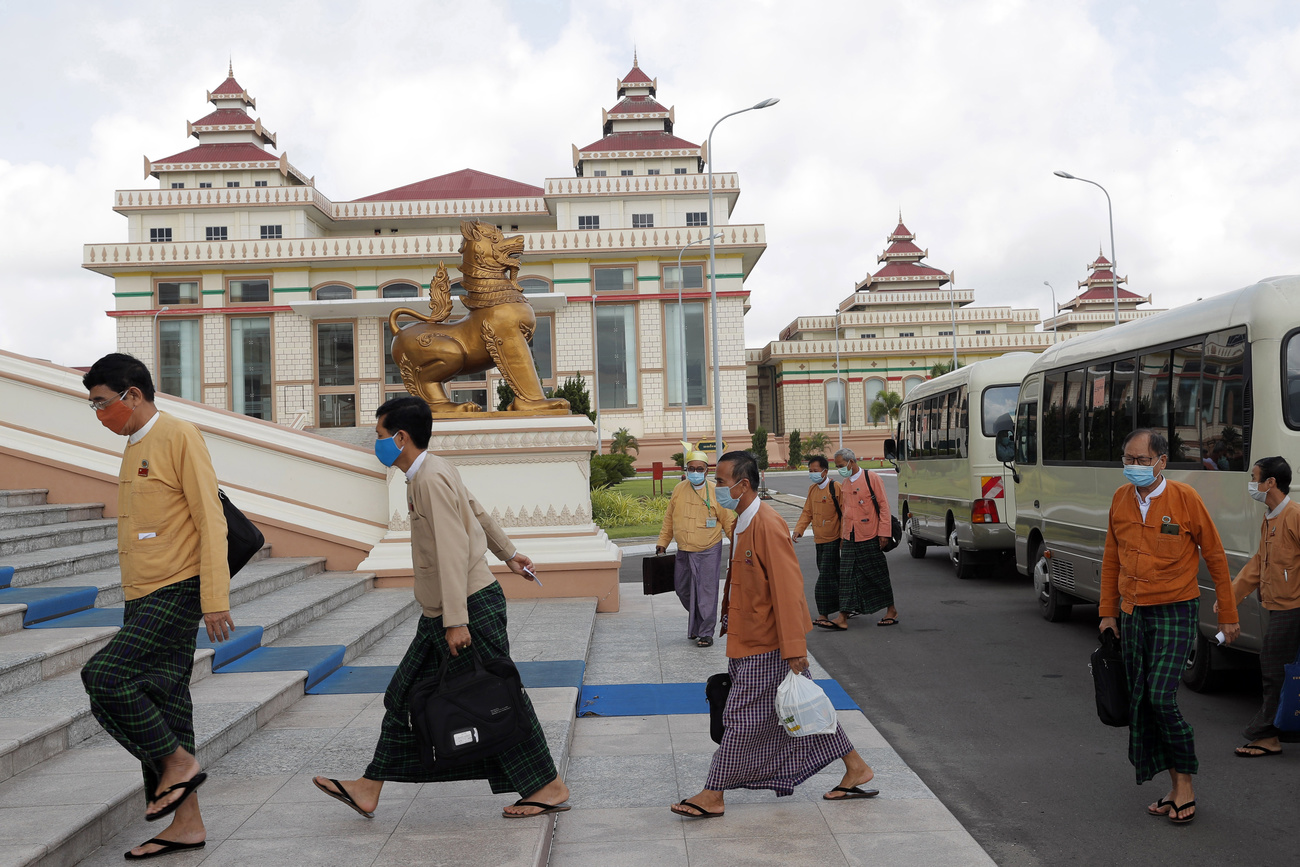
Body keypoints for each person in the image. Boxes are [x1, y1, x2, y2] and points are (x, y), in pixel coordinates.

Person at [313, 396, 569, 820]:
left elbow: (451, 550)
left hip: (463, 608)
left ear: (400, 437)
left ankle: (550, 785)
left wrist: (456, 621)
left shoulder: (428, 479)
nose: (377, 445)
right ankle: (369, 786)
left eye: (379, 436)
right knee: (403, 694)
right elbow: (475, 509)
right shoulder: (430, 469)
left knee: (497, 695)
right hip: (446, 610)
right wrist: (508, 553)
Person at [80, 353, 234, 860]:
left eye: (103, 403)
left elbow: (211, 520)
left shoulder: (178, 435)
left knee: (104, 676)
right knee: (167, 703)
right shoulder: (134, 444)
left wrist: (214, 599)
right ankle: (186, 824)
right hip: (142, 591)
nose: (100, 413)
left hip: (177, 587)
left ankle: (175, 761)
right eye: (94, 405)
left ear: (134, 395)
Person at [670, 450, 877, 818]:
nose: (716, 487)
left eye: (720, 481)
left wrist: (795, 647)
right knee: (808, 708)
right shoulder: (743, 522)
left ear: (742, 485)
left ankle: (713, 793)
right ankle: (856, 766)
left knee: (740, 719)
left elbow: (788, 587)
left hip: (768, 645)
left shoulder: (767, 523)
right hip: (748, 639)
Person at [1099, 428, 1239, 825]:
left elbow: (1214, 554)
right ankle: (1175, 786)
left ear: (1162, 462)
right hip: (1131, 612)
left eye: (1142, 460)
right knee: (1142, 701)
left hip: (1175, 610)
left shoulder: (1185, 499)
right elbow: (1112, 558)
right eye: (1128, 459)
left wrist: (1228, 614)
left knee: (1161, 698)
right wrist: (1107, 613)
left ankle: (1186, 784)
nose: (1134, 467)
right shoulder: (1120, 499)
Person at [1223, 456, 1300, 758]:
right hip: (1277, 606)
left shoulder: (1293, 515)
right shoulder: (1270, 517)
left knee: (1272, 668)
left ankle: (1266, 734)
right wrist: (1231, 596)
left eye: (1254, 477)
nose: (1251, 484)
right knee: (1278, 669)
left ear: (1271, 483)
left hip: (1292, 607)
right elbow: (1258, 564)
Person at [656, 443, 735, 647]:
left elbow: (728, 520)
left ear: (707, 471)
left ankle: (706, 632)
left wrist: (737, 543)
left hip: (708, 549)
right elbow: (668, 519)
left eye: (700, 469)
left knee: (706, 592)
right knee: (682, 589)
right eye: (692, 468)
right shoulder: (679, 489)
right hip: (684, 550)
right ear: (686, 470)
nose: (695, 472)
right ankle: (699, 624)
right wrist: (662, 543)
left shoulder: (716, 491)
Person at [828, 448, 897, 628]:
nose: (840, 469)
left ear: (852, 462)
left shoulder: (871, 478)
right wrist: (843, 536)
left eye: (841, 465)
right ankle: (842, 617)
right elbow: (845, 512)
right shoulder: (845, 483)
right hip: (850, 536)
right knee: (846, 576)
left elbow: (884, 507)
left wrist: (884, 533)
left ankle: (891, 610)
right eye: (837, 466)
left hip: (870, 533)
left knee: (877, 573)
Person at [791, 455, 845, 631]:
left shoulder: (835, 487)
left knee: (824, 578)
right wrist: (799, 529)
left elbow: (845, 513)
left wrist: (844, 537)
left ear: (825, 471)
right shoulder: (812, 489)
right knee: (831, 574)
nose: (812, 474)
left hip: (833, 538)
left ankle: (823, 613)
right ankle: (846, 607)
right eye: (810, 471)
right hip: (818, 539)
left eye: (815, 471)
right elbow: (807, 512)